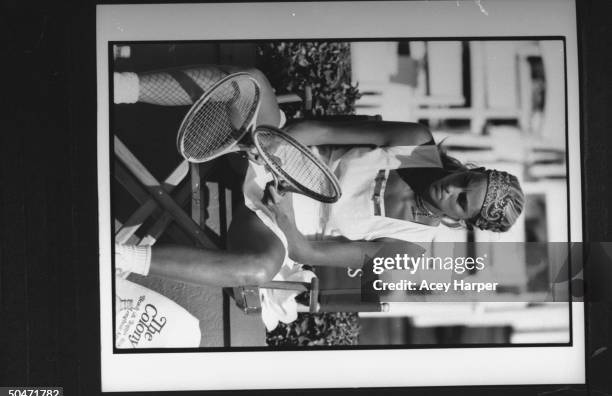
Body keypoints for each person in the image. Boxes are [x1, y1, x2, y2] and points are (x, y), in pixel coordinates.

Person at [114, 65, 525, 291]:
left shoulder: (411, 250)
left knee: (258, 271)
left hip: (275, 223)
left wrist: (286, 212)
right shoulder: (415, 141)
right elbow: (320, 132)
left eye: (460, 201)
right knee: (251, 82)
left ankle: (118, 260)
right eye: (464, 181)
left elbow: (308, 252)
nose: (450, 188)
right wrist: (277, 145)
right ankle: (118, 85)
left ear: (464, 220)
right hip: (276, 152)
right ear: (471, 170)